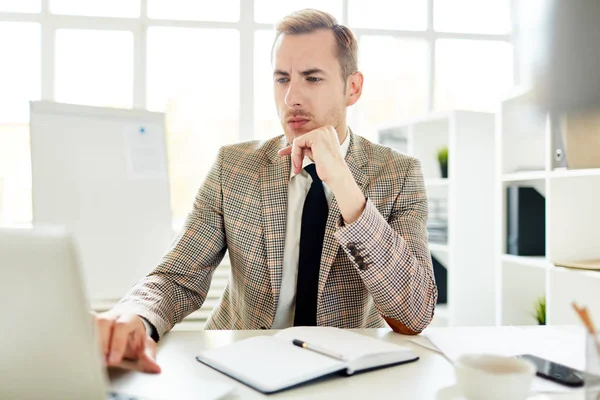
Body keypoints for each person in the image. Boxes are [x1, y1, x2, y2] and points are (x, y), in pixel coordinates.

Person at [95, 8, 438, 374]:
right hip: (239, 366)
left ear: (352, 88)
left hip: (343, 375)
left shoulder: (398, 173)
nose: (292, 97)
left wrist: (343, 183)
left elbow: (413, 314)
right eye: (282, 79)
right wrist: (135, 316)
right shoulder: (234, 166)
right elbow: (178, 277)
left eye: (312, 78)